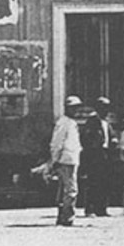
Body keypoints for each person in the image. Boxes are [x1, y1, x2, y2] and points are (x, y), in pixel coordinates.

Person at [48, 95, 84, 226]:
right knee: (71, 190)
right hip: (66, 159)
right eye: (73, 108)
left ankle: (63, 216)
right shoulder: (63, 123)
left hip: (71, 159)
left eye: (77, 108)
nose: (76, 111)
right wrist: (55, 159)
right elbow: (56, 143)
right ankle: (67, 217)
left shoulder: (70, 123)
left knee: (65, 189)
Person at [77, 104, 109, 217]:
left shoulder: (106, 122)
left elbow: (108, 135)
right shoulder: (92, 121)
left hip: (105, 153)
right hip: (94, 154)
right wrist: (92, 148)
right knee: (93, 182)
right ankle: (90, 209)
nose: (105, 110)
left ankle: (101, 209)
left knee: (104, 182)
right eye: (103, 108)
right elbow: (85, 137)